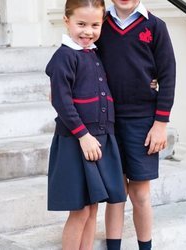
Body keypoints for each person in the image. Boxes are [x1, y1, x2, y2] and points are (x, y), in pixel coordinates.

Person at [45, 0, 127, 249]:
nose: (88, 31)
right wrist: (83, 135)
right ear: (66, 21)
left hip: (98, 140)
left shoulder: (92, 52)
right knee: (79, 211)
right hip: (76, 142)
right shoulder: (64, 57)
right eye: (81, 24)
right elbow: (62, 101)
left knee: (93, 208)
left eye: (94, 25)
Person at [96, 0, 176, 249]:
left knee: (140, 193)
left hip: (142, 122)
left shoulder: (156, 26)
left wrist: (161, 123)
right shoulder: (100, 24)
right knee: (115, 193)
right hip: (107, 121)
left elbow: (168, 75)